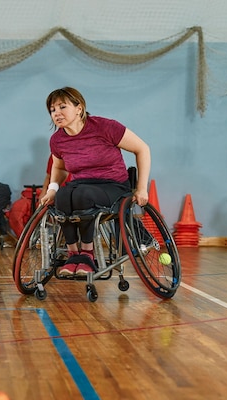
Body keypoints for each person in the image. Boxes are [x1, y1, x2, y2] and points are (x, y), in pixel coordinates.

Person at [40, 87, 151, 277]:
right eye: (52, 110)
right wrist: (52, 189)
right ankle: (73, 255)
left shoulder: (105, 127)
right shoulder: (57, 140)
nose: (56, 113)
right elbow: (58, 167)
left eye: (62, 107)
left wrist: (141, 188)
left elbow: (142, 149)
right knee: (63, 196)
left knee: (83, 196)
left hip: (112, 185)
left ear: (79, 108)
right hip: (80, 185)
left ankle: (87, 254)